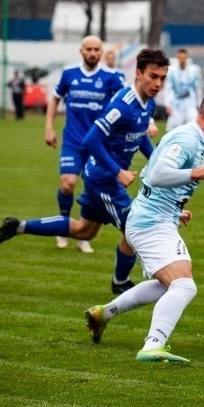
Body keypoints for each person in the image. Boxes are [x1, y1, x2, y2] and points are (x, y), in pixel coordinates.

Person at [0, 49, 168, 296]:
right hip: (104, 180)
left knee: (84, 230)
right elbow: (90, 140)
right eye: (153, 76)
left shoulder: (147, 103)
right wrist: (118, 172)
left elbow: (140, 139)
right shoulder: (123, 105)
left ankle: (17, 226)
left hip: (102, 177)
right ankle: (120, 281)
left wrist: (160, 162)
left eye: (162, 78)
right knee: (135, 228)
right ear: (138, 73)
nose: (158, 83)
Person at [83, 85, 204, 363]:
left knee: (170, 284)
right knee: (184, 286)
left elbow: (150, 173)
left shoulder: (195, 138)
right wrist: (197, 172)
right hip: (150, 223)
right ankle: (153, 344)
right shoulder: (189, 139)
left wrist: (176, 207)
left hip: (155, 217)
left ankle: (103, 313)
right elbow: (156, 174)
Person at [45, 35, 125, 254]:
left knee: (92, 189)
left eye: (96, 49)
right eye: (88, 49)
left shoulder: (111, 77)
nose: (92, 53)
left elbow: (129, 99)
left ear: (101, 52)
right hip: (72, 139)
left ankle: (83, 235)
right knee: (67, 184)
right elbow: (54, 98)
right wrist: (49, 127)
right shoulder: (69, 73)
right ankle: (63, 227)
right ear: (81, 51)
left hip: (98, 143)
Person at [104, 48, 159, 138]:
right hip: (112, 107)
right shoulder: (104, 74)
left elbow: (124, 88)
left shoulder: (119, 73)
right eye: (153, 76)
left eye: (112, 58)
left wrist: (150, 121)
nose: (158, 84)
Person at [164, 48, 204, 132]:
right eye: (180, 58)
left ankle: (192, 144)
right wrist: (168, 104)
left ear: (187, 58)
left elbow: (198, 89)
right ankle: (172, 144)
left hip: (190, 104)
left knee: (194, 127)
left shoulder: (194, 70)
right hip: (177, 104)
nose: (182, 60)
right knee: (173, 130)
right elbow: (167, 89)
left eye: (184, 58)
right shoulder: (172, 71)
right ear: (177, 58)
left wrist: (200, 104)